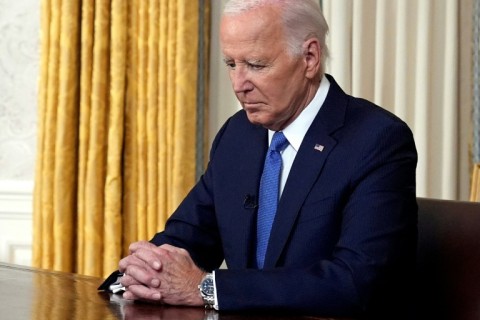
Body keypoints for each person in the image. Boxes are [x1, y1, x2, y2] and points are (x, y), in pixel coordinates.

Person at [103, 0, 418, 318]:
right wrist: (141, 274)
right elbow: (186, 239)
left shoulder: (376, 140)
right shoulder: (237, 136)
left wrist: (208, 288)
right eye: (231, 64)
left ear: (309, 57)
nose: (239, 85)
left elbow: (354, 282)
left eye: (256, 65)